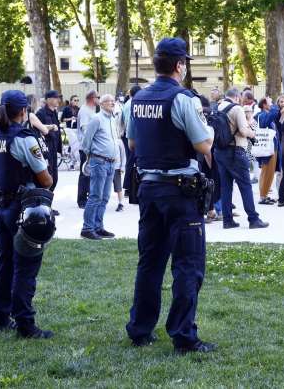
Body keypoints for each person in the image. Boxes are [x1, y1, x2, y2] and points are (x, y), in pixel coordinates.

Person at [126, 37, 217, 354]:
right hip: (180, 191)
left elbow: (133, 144)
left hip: (149, 188)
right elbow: (204, 145)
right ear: (180, 65)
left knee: (149, 262)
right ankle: (183, 335)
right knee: (187, 265)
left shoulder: (136, 100)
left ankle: (140, 328)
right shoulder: (184, 99)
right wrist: (212, 127)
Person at [0, 90, 55, 338]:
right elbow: (45, 179)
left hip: (2, 206)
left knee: (5, 262)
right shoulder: (23, 138)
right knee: (25, 266)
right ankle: (25, 323)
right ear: (24, 112)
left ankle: (0, 315)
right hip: (23, 208)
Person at [215, 88, 268, 229]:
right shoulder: (237, 109)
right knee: (245, 186)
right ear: (237, 97)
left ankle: (227, 220)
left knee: (225, 187)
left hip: (220, 151)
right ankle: (253, 219)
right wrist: (253, 134)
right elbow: (244, 131)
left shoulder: (218, 106)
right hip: (235, 151)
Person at [80, 93, 118, 240]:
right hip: (99, 162)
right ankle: (87, 228)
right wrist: (92, 157)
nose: (112, 103)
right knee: (95, 196)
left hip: (111, 162)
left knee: (105, 197)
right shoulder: (96, 119)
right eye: (109, 101)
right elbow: (86, 142)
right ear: (101, 104)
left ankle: (98, 227)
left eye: (113, 101)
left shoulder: (113, 120)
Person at [35, 90, 62, 191]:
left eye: (58, 97)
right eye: (55, 98)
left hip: (54, 149)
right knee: (48, 179)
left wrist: (59, 149)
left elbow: (57, 132)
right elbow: (36, 130)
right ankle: (44, 203)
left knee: (54, 179)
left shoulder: (54, 112)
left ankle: (48, 203)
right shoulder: (41, 113)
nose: (57, 100)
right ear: (48, 100)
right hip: (46, 150)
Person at [255, 97, 279, 205]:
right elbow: (273, 114)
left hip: (271, 147)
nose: (272, 105)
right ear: (264, 105)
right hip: (267, 149)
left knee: (269, 173)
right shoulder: (262, 115)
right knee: (266, 172)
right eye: (270, 103)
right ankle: (263, 196)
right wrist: (273, 106)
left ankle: (265, 194)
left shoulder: (265, 115)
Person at [77, 90, 99, 208]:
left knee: (89, 174)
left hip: (91, 147)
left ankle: (88, 197)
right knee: (85, 174)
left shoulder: (91, 110)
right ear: (92, 98)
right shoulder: (85, 110)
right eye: (98, 97)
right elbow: (85, 130)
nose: (99, 100)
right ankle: (81, 200)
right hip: (86, 147)